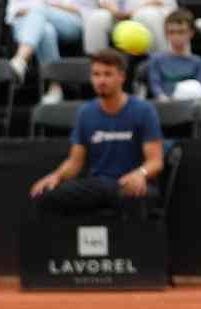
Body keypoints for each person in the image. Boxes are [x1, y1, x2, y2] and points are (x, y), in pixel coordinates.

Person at [29, 48, 163, 218]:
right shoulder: (86, 113)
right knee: (46, 195)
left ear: (121, 77)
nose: (101, 80)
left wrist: (140, 174)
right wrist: (56, 176)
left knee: (132, 195)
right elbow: (75, 162)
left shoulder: (143, 111)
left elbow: (155, 161)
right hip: (98, 185)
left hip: (132, 184)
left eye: (108, 74)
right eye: (96, 74)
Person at [146, 9, 201, 101]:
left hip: (191, 106)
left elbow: (199, 92)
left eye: (181, 32)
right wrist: (165, 101)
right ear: (166, 33)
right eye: (171, 32)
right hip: (163, 106)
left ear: (191, 33)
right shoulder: (155, 60)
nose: (176, 36)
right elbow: (156, 88)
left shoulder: (199, 63)